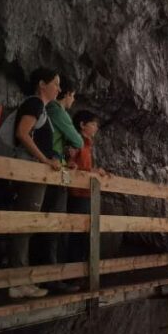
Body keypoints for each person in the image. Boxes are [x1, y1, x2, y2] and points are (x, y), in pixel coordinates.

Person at [6, 68, 62, 299]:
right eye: (56, 84)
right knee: (25, 224)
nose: (59, 89)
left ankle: (21, 280)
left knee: (27, 224)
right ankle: (17, 283)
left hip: (34, 172)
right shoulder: (34, 104)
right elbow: (22, 133)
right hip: (29, 172)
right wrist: (45, 160)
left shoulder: (41, 109)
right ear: (42, 84)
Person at [41, 83, 84, 291]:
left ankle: (46, 276)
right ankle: (50, 278)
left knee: (49, 224)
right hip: (53, 172)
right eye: (73, 96)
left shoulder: (46, 109)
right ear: (68, 94)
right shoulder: (57, 110)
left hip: (53, 166)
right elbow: (78, 140)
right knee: (54, 225)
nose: (72, 100)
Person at [67, 111, 105, 264]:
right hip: (76, 195)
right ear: (82, 125)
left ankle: (82, 273)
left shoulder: (88, 146)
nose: (96, 127)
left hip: (87, 195)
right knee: (76, 234)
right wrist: (93, 172)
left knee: (86, 234)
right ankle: (72, 274)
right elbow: (70, 166)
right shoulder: (76, 143)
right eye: (93, 124)